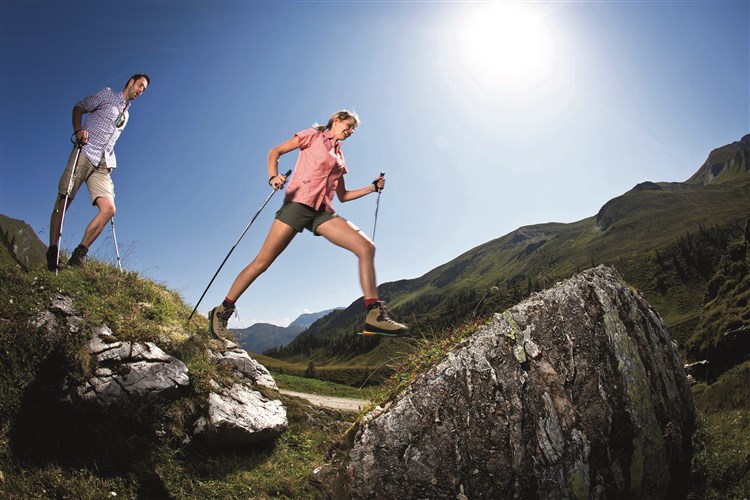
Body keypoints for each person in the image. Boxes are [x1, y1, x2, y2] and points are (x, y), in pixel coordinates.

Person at [208, 110, 408, 338]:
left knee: (366, 248)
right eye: (349, 125)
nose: (351, 131)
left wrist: (371, 188)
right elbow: (275, 151)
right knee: (263, 262)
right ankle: (222, 310)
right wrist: (273, 176)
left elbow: (343, 196)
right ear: (336, 120)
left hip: (321, 213)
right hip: (298, 205)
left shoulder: (340, 158)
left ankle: (373, 314)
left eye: (354, 129)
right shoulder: (312, 136)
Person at [46, 74, 150, 271]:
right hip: (85, 151)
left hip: (102, 165)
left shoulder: (126, 115)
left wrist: (111, 160)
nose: (140, 91)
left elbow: (112, 140)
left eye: (143, 90)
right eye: (140, 86)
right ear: (130, 82)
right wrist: (78, 131)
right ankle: (53, 254)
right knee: (64, 200)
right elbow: (79, 107)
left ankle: (78, 255)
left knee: (109, 209)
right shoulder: (108, 94)